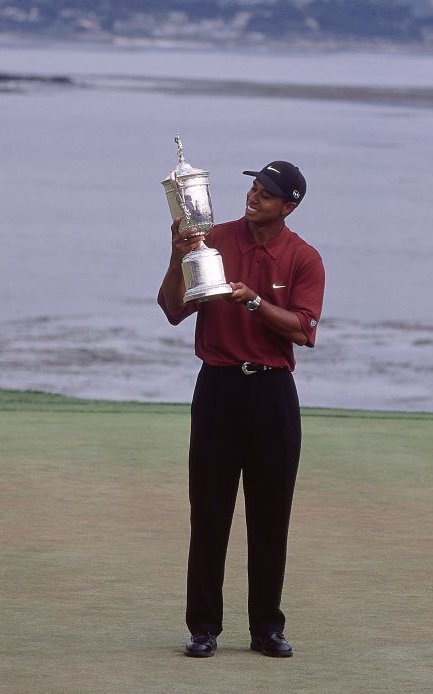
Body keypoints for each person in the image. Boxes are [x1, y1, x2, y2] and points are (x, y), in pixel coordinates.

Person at [158, 160, 325, 658]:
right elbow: (172, 309)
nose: (254, 197)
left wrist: (253, 302)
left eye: (267, 194)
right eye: (253, 188)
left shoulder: (303, 258)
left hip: (273, 394)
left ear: (288, 206)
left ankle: (266, 629)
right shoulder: (213, 239)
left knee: (271, 517)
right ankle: (203, 628)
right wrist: (176, 255)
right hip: (218, 389)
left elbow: (302, 329)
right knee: (209, 512)